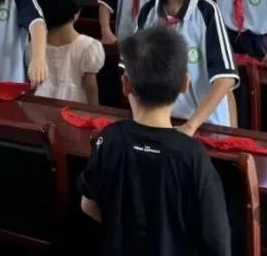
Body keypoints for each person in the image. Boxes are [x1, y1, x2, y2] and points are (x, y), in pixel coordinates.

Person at [79, 25, 231, 256]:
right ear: (185, 83)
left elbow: (88, 205)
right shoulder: (192, 155)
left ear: (125, 84)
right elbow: (217, 241)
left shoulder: (108, 139)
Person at [135, 0, 238, 132]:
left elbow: (225, 78)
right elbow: (130, 70)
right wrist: (141, 115)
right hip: (162, 121)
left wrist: (191, 126)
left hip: (204, 124)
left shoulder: (206, 11)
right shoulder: (148, 11)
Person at [34, 0, 104, 104]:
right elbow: (91, 89)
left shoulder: (35, 46)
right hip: (74, 110)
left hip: (40, 108)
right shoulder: (88, 47)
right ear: (77, 11)